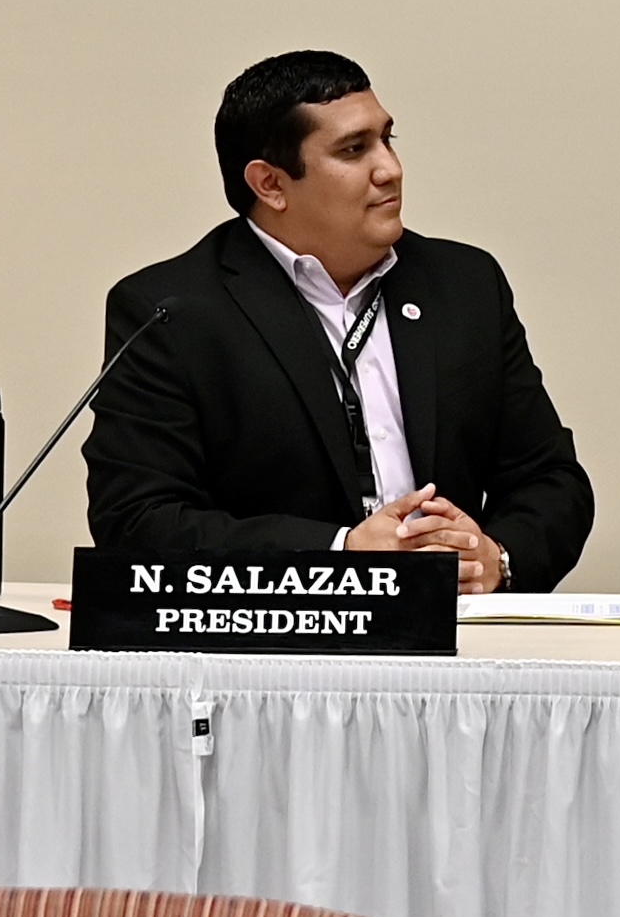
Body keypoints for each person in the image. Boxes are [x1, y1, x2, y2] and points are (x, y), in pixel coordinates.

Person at [83, 50, 592, 593]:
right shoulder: (173, 310)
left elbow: (552, 482)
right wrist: (340, 554)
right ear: (271, 184)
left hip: (452, 634)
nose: (390, 169)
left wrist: (495, 557)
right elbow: (137, 520)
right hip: (276, 649)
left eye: (387, 139)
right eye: (354, 150)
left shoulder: (463, 285)